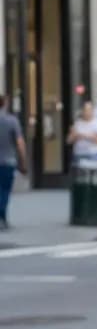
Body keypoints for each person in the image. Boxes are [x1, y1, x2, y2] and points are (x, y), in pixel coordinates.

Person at [0, 94, 27, 228]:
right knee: (5, 190)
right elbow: (20, 143)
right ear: (5, 104)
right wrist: (23, 161)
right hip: (8, 161)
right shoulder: (12, 121)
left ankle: (2, 217)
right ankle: (2, 216)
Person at [67, 100, 97, 174]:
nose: (87, 112)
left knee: (92, 177)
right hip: (79, 154)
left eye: (89, 110)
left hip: (93, 154)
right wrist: (75, 136)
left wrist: (83, 135)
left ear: (92, 111)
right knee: (80, 177)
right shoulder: (77, 123)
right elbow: (69, 141)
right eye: (85, 110)